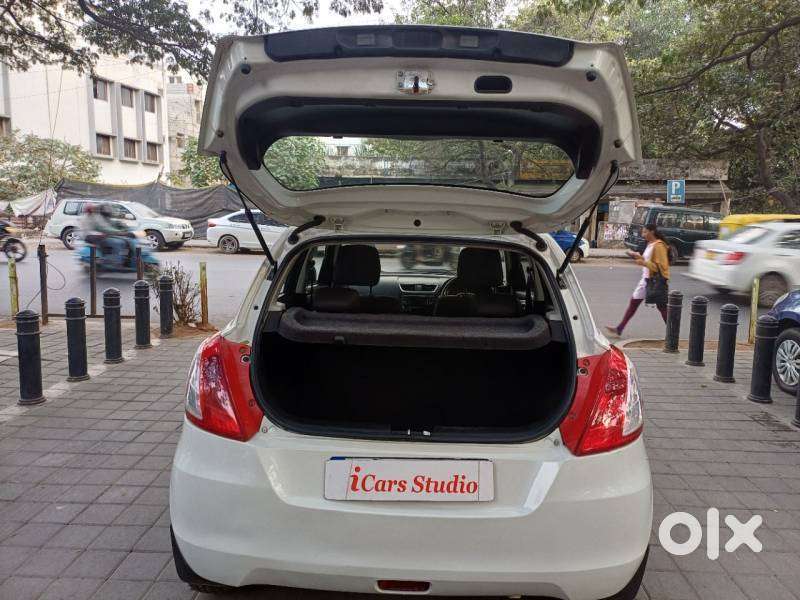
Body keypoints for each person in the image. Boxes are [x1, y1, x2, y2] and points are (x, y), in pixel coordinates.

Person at [605, 223, 670, 338]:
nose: (643, 234)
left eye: (645, 232)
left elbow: (660, 267)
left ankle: (672, 332)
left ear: (652, 232)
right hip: (646, 279)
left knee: (662, 307)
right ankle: (619, 328)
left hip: (654, 281)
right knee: (634, 303)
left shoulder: (659, 246)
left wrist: (643, 263)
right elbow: (649, 259)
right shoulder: (650, 244)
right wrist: (638, 256)